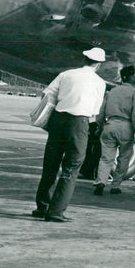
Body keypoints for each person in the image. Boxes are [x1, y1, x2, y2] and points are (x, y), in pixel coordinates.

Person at [33, 47, 107, 222]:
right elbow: (95, 110)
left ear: (84, 60)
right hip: (79, 122)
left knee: (50, 164)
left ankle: (42, 206)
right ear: (98, 64)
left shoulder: (66, 74)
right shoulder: (99, 82)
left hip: (58, 120)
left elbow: (47, 95)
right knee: (71, 168)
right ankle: (56, 211)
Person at [93, 65, 135, 196]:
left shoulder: (112, 91)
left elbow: (101, 111)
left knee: (105, 158)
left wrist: (99, 126)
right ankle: (115, 185)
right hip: (126, 126)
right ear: (129, 77)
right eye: (134, 75)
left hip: (109, 125)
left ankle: (100, 182)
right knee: (124, 158)